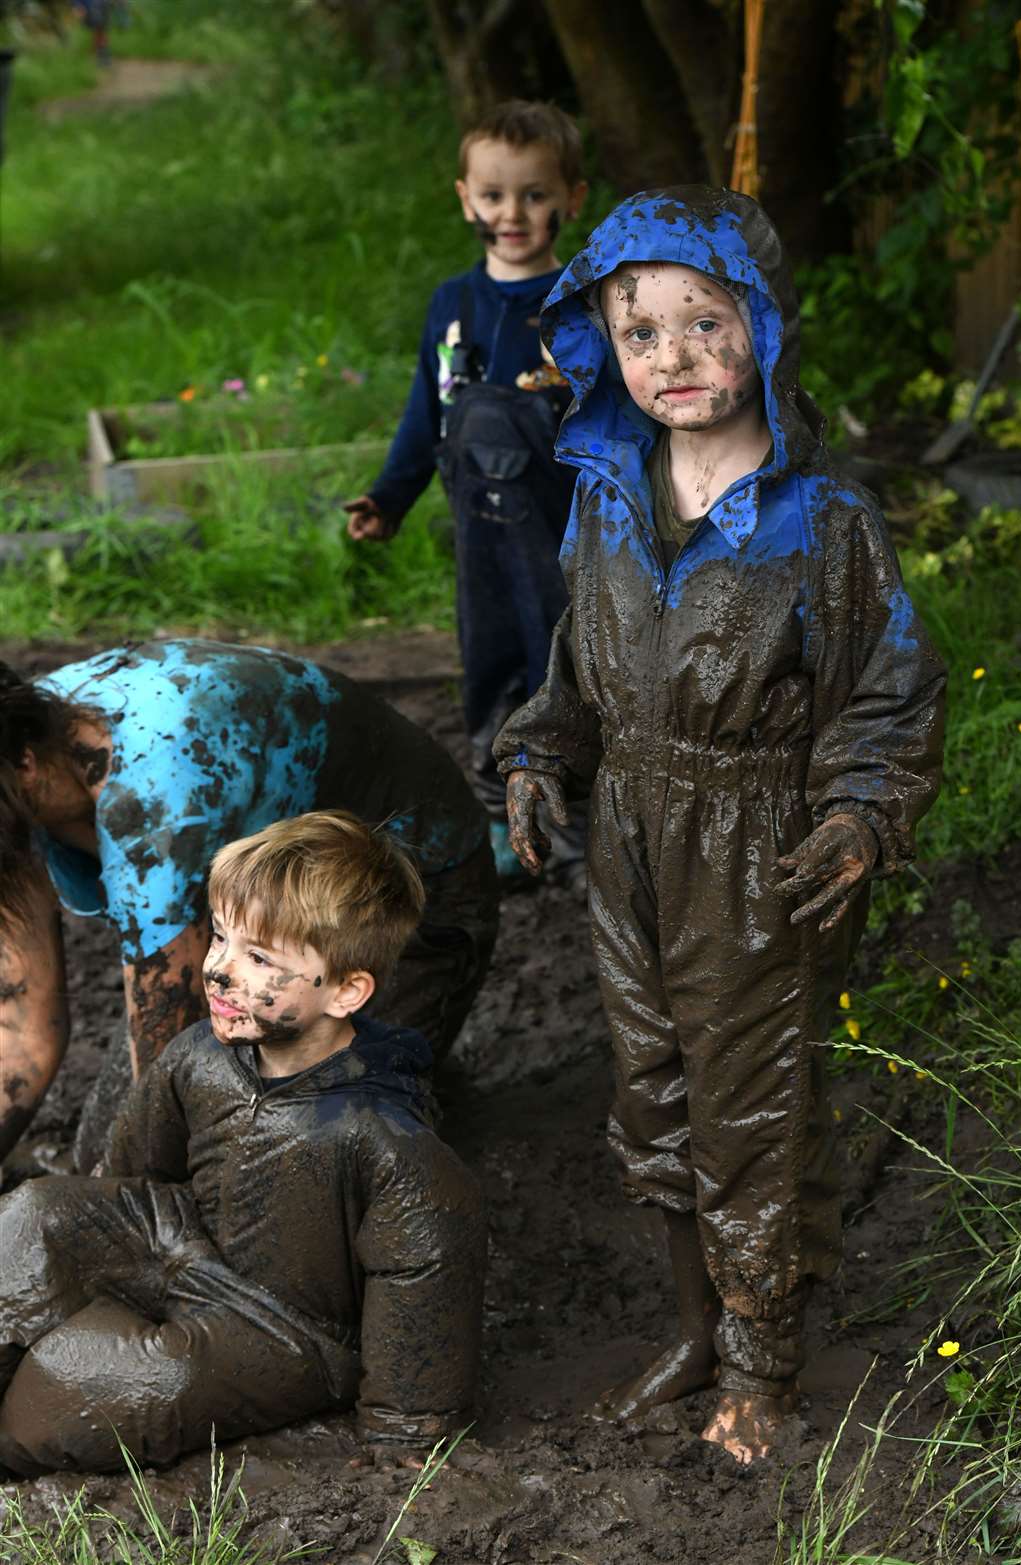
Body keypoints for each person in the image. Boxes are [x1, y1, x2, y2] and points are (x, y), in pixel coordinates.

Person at [494, 186, 947, 1466]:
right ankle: (696, 1329)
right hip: (632, 831)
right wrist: (540, 753)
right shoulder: (605, 495)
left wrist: (858, 811)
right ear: (603, 348)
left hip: (759, 849)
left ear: (763, 329)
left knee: (751, 1101)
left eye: (705, 324)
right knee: (652, 1092)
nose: (675, 359)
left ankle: (762, 1363)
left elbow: (892, 685)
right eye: (642, 335)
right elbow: (578, 664)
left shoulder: (827, 523)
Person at [0, 811, 486, 1474]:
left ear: (347, 990)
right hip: (182, 1240)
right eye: (221, 936)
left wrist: (406, 1425)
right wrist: (88, 1241)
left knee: (136, 1378)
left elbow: (426, 1265)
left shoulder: (382, 1135)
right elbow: (131, 1170)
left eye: (259, 957)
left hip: (286, 1326)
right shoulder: (201, 1054)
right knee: (31, 1215)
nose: (220, 969)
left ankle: (21, 1416)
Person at [0, 639, 498, 1175]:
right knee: (102, 1146)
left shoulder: (151, 798)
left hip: (408, 904)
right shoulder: (23, 742)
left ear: (25, 764)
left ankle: (421, 1077)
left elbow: (162, 1064)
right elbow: (21, 1025)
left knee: (302, 1155)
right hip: (258, 922)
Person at [344, 99, 589, 887]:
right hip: (477, 537)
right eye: (493, 196)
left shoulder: (584, 308)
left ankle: (588, 828)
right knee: (489, 668)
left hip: (566, 538)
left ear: (572, 199)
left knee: (573, 669)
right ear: (465, 199)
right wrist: (389, 496)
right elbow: (426, 413)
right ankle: (502, 820)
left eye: (534, 195)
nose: (511, 214)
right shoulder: (453, 306)